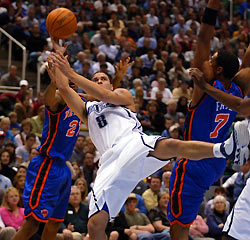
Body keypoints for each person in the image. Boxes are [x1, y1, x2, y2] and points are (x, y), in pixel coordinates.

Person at [51, 48, 249, 240]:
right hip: (110, 162)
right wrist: (58, 53)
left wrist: (70, 72)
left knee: (172, 145)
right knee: (94, 226)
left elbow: (105, 96)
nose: (98, 81)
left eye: (103, 79)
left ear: (112, 85)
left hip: (132, 143)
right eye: (95, 79)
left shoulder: (122, 95)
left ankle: (224, 148)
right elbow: (64, 88)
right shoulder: (87, 110)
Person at [12, 38, 131, 240]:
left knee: (54, 224)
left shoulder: (82, 101)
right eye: (70, 81)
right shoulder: (59, 98)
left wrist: (117, 79)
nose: (74, 84)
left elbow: (105, 95)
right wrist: (53, 81)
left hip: (63, 170)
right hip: (47, 165)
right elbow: (48, 100)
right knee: (33, 224)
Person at [167, 0, 247, 239]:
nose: (206, 61)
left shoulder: (203, 86)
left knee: (178, 228)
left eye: (211, 60)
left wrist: (212, 5)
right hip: (216, 163)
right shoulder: (239, 88)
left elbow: (203, 38)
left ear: (219, 70)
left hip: (193, 161)